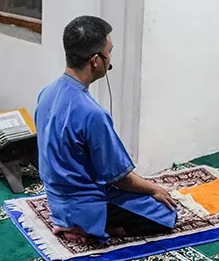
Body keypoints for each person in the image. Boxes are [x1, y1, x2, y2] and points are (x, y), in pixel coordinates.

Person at [36, 15, 179, 243]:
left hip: (56, 199)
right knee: (165, 214)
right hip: (83, 206)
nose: (110, 58)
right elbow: (119, 178)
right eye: (109, 52)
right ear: (96, 60)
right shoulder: (93, 114)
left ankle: (86, 222)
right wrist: (154, 189)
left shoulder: (47, 92)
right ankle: (95, 229)